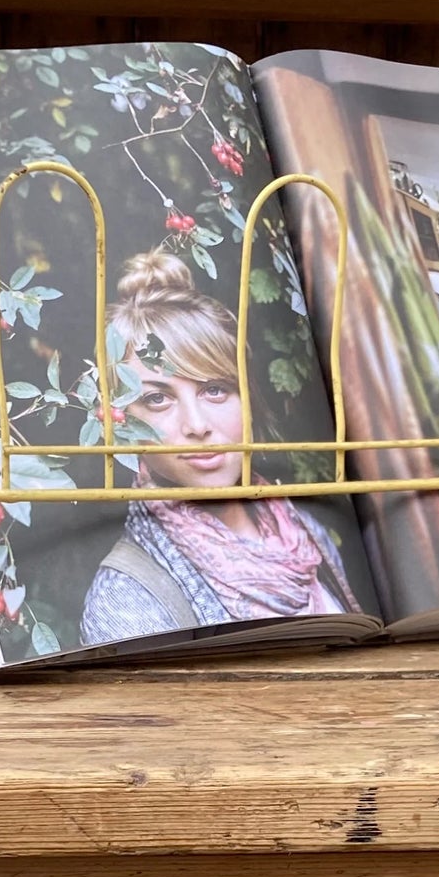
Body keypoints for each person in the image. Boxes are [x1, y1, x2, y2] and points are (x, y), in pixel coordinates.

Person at [79, 250, 361, 647]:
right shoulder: (127, 599)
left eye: (215, 390)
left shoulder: (301, 529)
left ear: (248, 399)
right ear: (120, 421)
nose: (196, 426)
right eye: (158, 399)